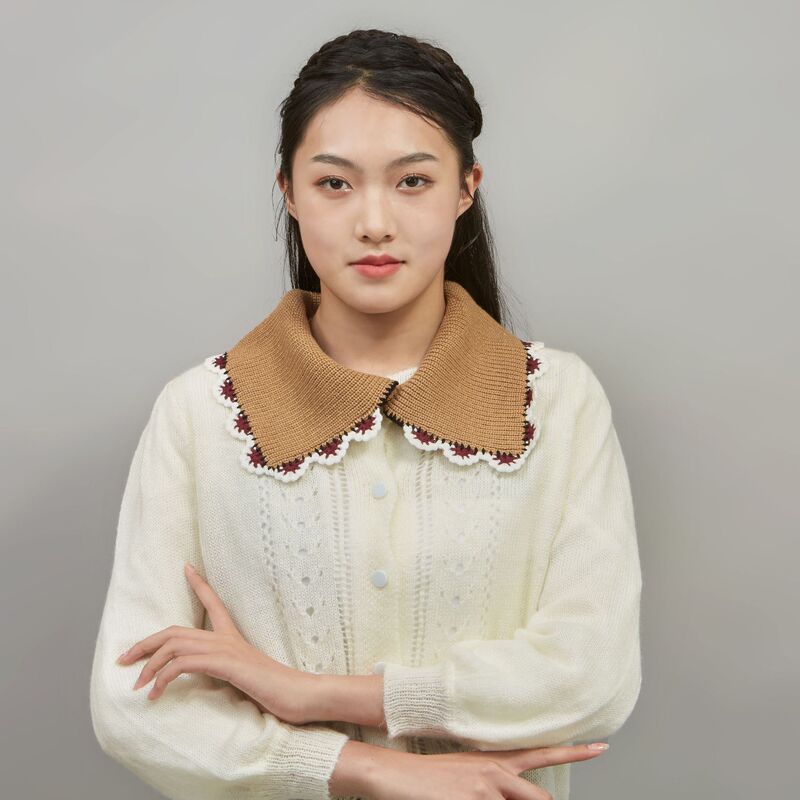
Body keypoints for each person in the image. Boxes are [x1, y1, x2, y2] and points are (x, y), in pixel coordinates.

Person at [89, 28, 642, 800]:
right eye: (334, 184)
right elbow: (133, 705)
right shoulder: (201, 415)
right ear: (288, 191)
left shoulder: (556, 401)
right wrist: (364, 766)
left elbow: (594, 673)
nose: (374, 222)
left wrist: (318, 695)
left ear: (467, 187)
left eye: (412, 181)